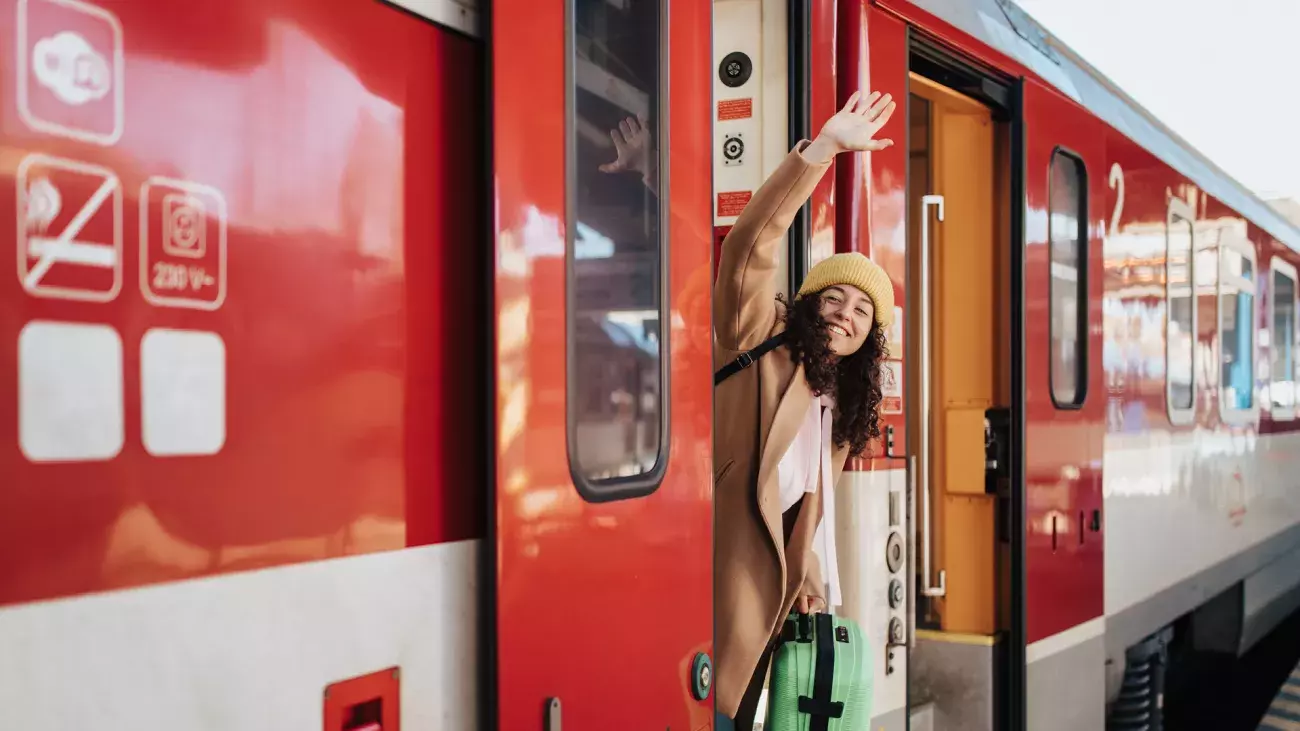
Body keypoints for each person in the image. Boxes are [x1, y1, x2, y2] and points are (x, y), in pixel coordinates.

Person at [712, 89, 897, 729]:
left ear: (871, 332)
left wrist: (812, 578)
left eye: (862, 308)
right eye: (834, 299)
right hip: (720, 580)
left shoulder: (836, 406)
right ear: (811, 305)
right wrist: (820, 154)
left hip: (775, 600)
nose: (846, 314)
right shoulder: (759, 339)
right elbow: (746, 248)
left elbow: (803, 503)